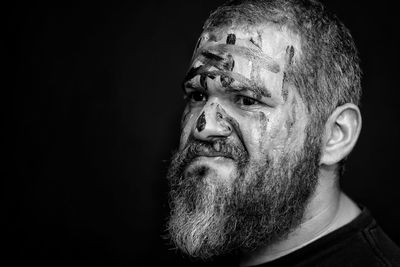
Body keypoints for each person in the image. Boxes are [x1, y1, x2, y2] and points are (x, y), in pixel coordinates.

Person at [165, 0, 400, 266]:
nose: (205, 126)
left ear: (335, 135)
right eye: (197, 95)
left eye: (247, 100)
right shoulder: (232, 240)